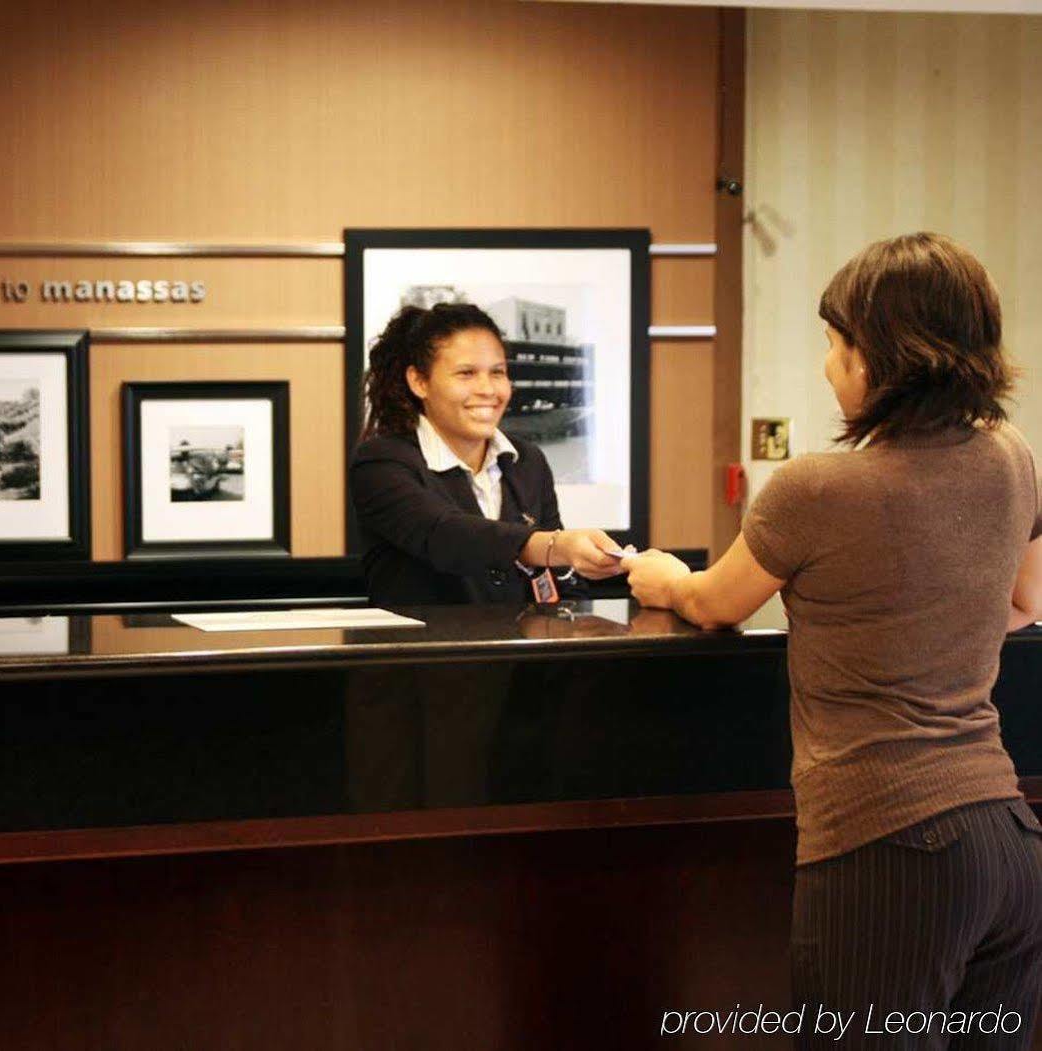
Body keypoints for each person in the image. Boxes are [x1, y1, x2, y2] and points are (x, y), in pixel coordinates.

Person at [625, 233, 1042, 1048]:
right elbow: (1026, 602)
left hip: (886, 846)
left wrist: (660, 575)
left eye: (834, 343)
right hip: (1007, 840)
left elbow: (715, 603)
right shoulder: (1010, 458)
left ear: (878, 355)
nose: (826, 366)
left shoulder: (818, 487)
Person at [349, 302, 626, 605]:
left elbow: (559, 580)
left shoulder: (527, 461)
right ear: (419, 381)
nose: (488, 389)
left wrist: (577, 623)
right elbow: (445, 535)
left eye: (497, 372)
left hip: (521, 651)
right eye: (466, 373)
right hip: (426, 651)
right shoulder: (381, 462)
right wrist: (554, 545)